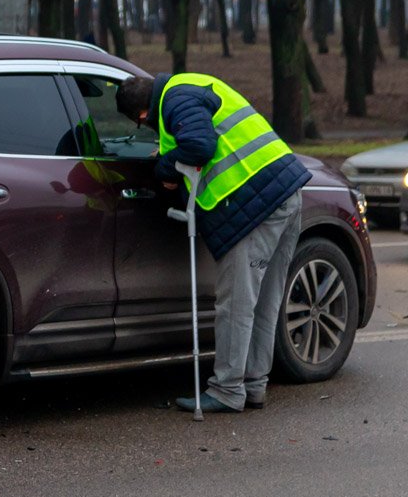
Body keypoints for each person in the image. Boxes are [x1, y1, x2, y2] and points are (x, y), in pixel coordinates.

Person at [115, 73, 310, 413]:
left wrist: (165, 168)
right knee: (265, 299)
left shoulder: (175, 102)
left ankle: (227, 390)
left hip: (255, 205)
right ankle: (253, 386)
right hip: (285, 192)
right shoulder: (189, 83)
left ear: (142, 116)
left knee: (236, 303)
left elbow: (200, 145)